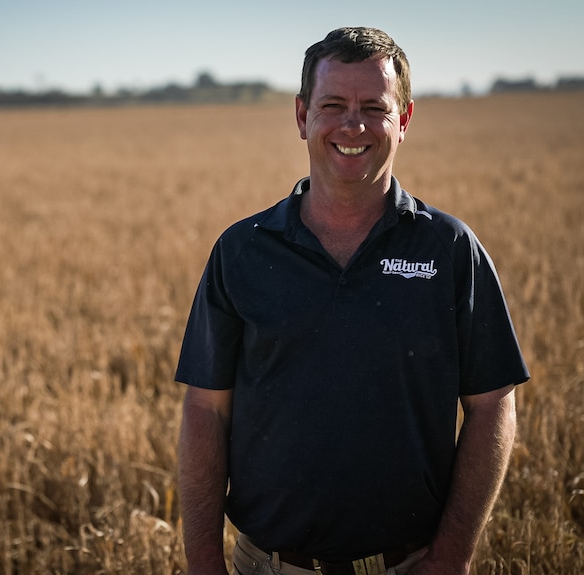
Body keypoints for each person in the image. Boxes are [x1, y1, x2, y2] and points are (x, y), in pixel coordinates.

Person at [175, 27, 530, 575]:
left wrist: (451, 558)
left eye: (374, 107)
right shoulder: (241, 251)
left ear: (405, 119)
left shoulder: (450, 249)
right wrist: (202, 562)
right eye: (333, 104)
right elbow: (204, 409)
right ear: (301, 116)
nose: (352, 124)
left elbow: (492, 406)